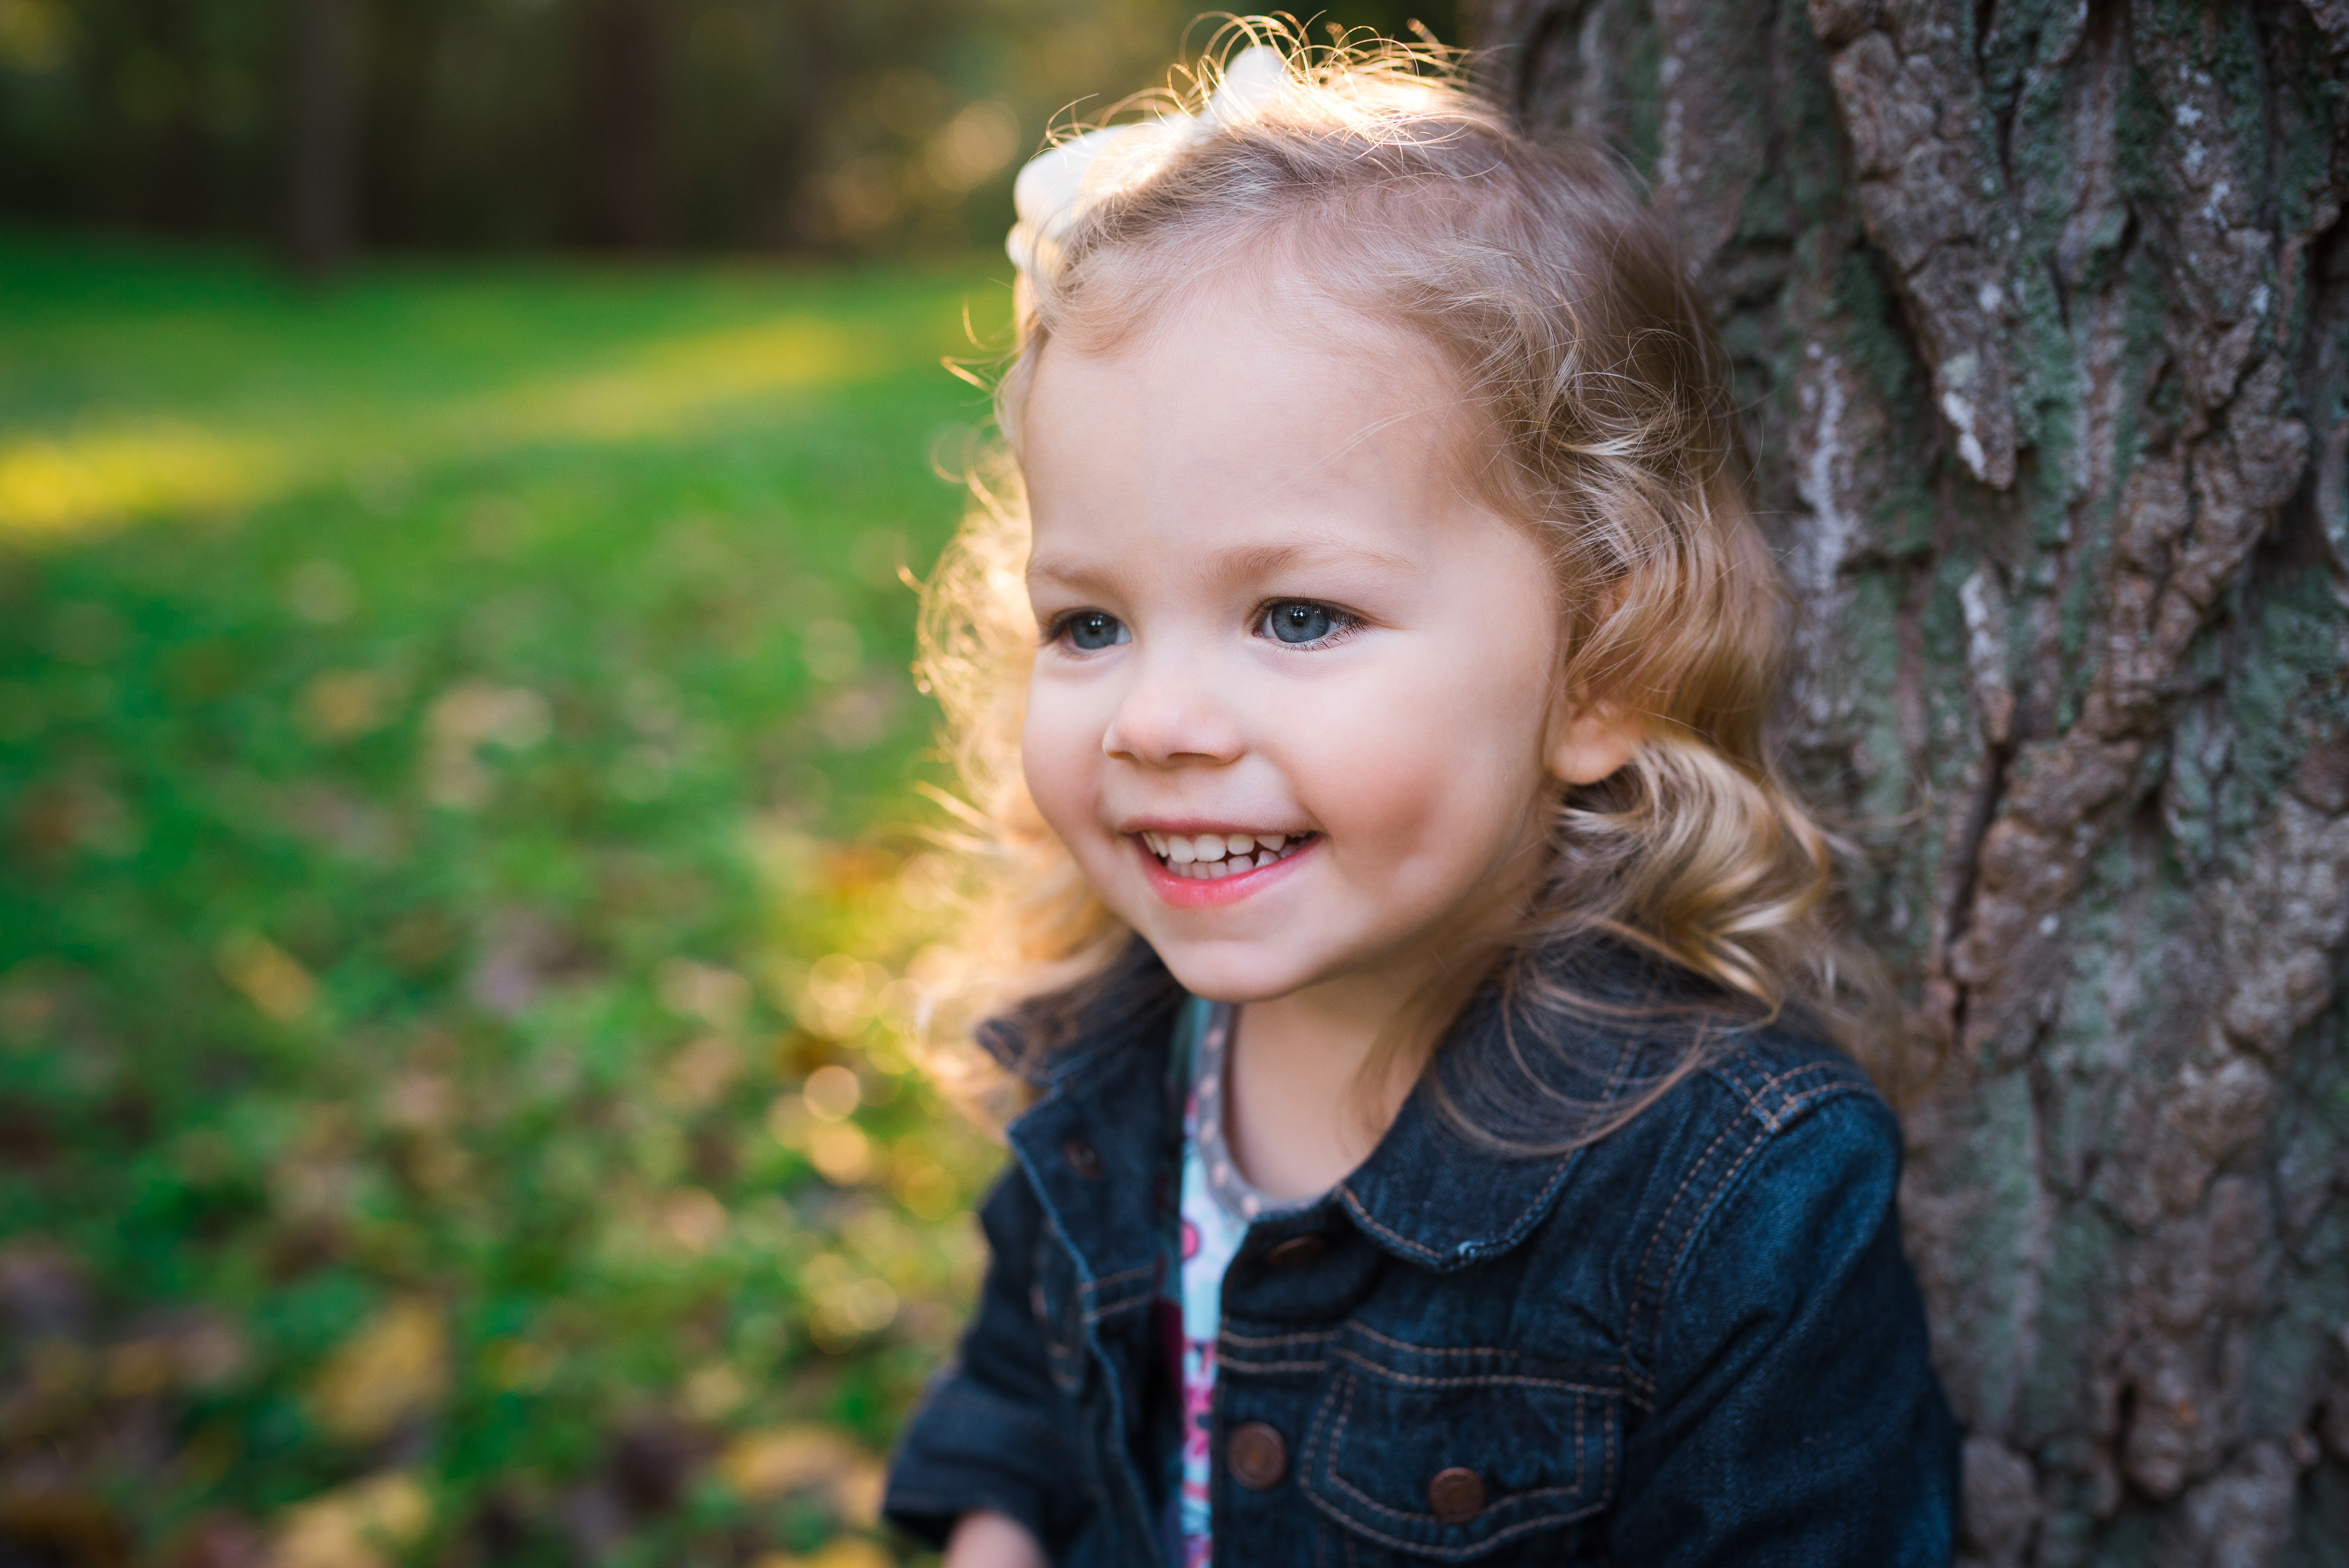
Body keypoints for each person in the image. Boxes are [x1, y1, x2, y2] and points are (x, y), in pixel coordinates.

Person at [881, 26, 1959, 1568]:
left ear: (1603, 668)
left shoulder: (1731, 1197)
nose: (1158, 720)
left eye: (1299, 617)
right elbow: (1023, 1399)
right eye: (1090, 625)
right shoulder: (1103, 1051)